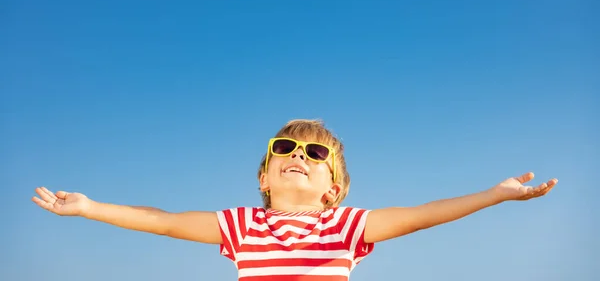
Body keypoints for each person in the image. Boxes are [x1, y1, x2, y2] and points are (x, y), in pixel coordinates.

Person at [32, 119, 557, 280]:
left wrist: (494, 195)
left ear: (334, 188)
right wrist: (91, 207)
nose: (297, 155)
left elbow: (421, 217)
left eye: (313, 153)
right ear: (265, 175)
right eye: (285, 148)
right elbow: (164, 222)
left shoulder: (346, 227)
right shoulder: (241, 226)